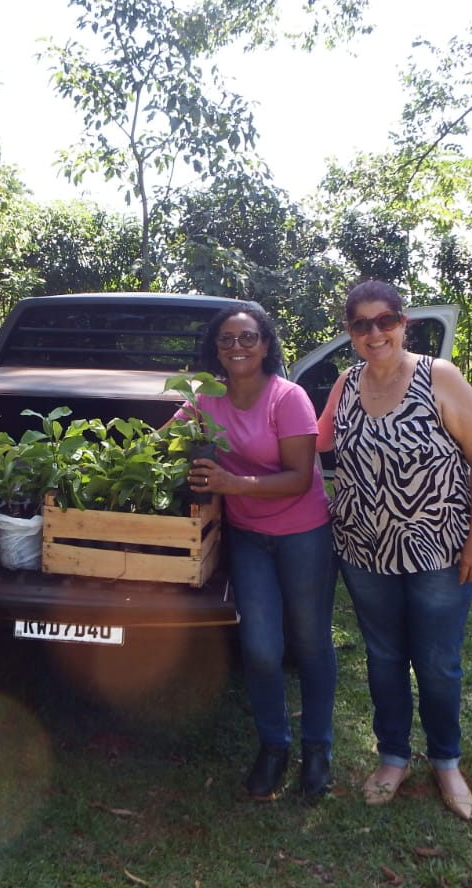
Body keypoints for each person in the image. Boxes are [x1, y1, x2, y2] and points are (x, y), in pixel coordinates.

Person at [317, 280, 472, 820]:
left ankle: (446, 761)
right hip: (363, 551)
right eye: (361, 324)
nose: (375, 333)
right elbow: (311, 443)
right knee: (384, 658)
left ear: (403, 323)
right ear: (350, 332)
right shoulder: (345, 385)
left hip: (438, 550)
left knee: (437, 663)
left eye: (385, 321)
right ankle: (392, 756)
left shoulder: (439, 377)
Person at [180, 301, 336, 799]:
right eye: (226, 339)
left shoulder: (287, 398)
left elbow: (298, 479)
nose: (237, 346)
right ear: (216, 349)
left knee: (310, 643)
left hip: (303, 533)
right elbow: (164, 441)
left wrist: (230, 483)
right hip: (248, 537)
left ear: (266, 345)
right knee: (261, 648)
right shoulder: (206, 398)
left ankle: (317, 749)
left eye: (248, 337)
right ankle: (273, 746)